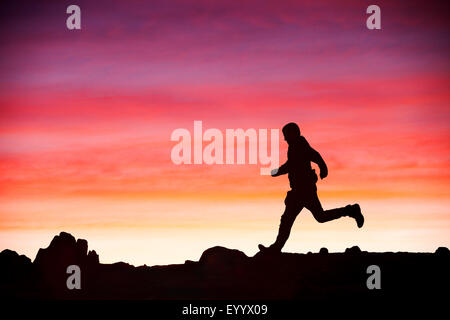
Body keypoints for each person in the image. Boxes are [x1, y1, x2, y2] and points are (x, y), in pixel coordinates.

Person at [258, 122, 364, 253]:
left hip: (304, 191)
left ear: (293, 134)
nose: (284, 139)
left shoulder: (300, 145)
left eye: (286, 135)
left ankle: (351, 210)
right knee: (298, 218)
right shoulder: (295, 146)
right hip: (299, 191)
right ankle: (276, 248)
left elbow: (312, 156)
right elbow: (293, 164)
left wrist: (323, 167)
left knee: (308, 218)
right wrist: (278, 171)